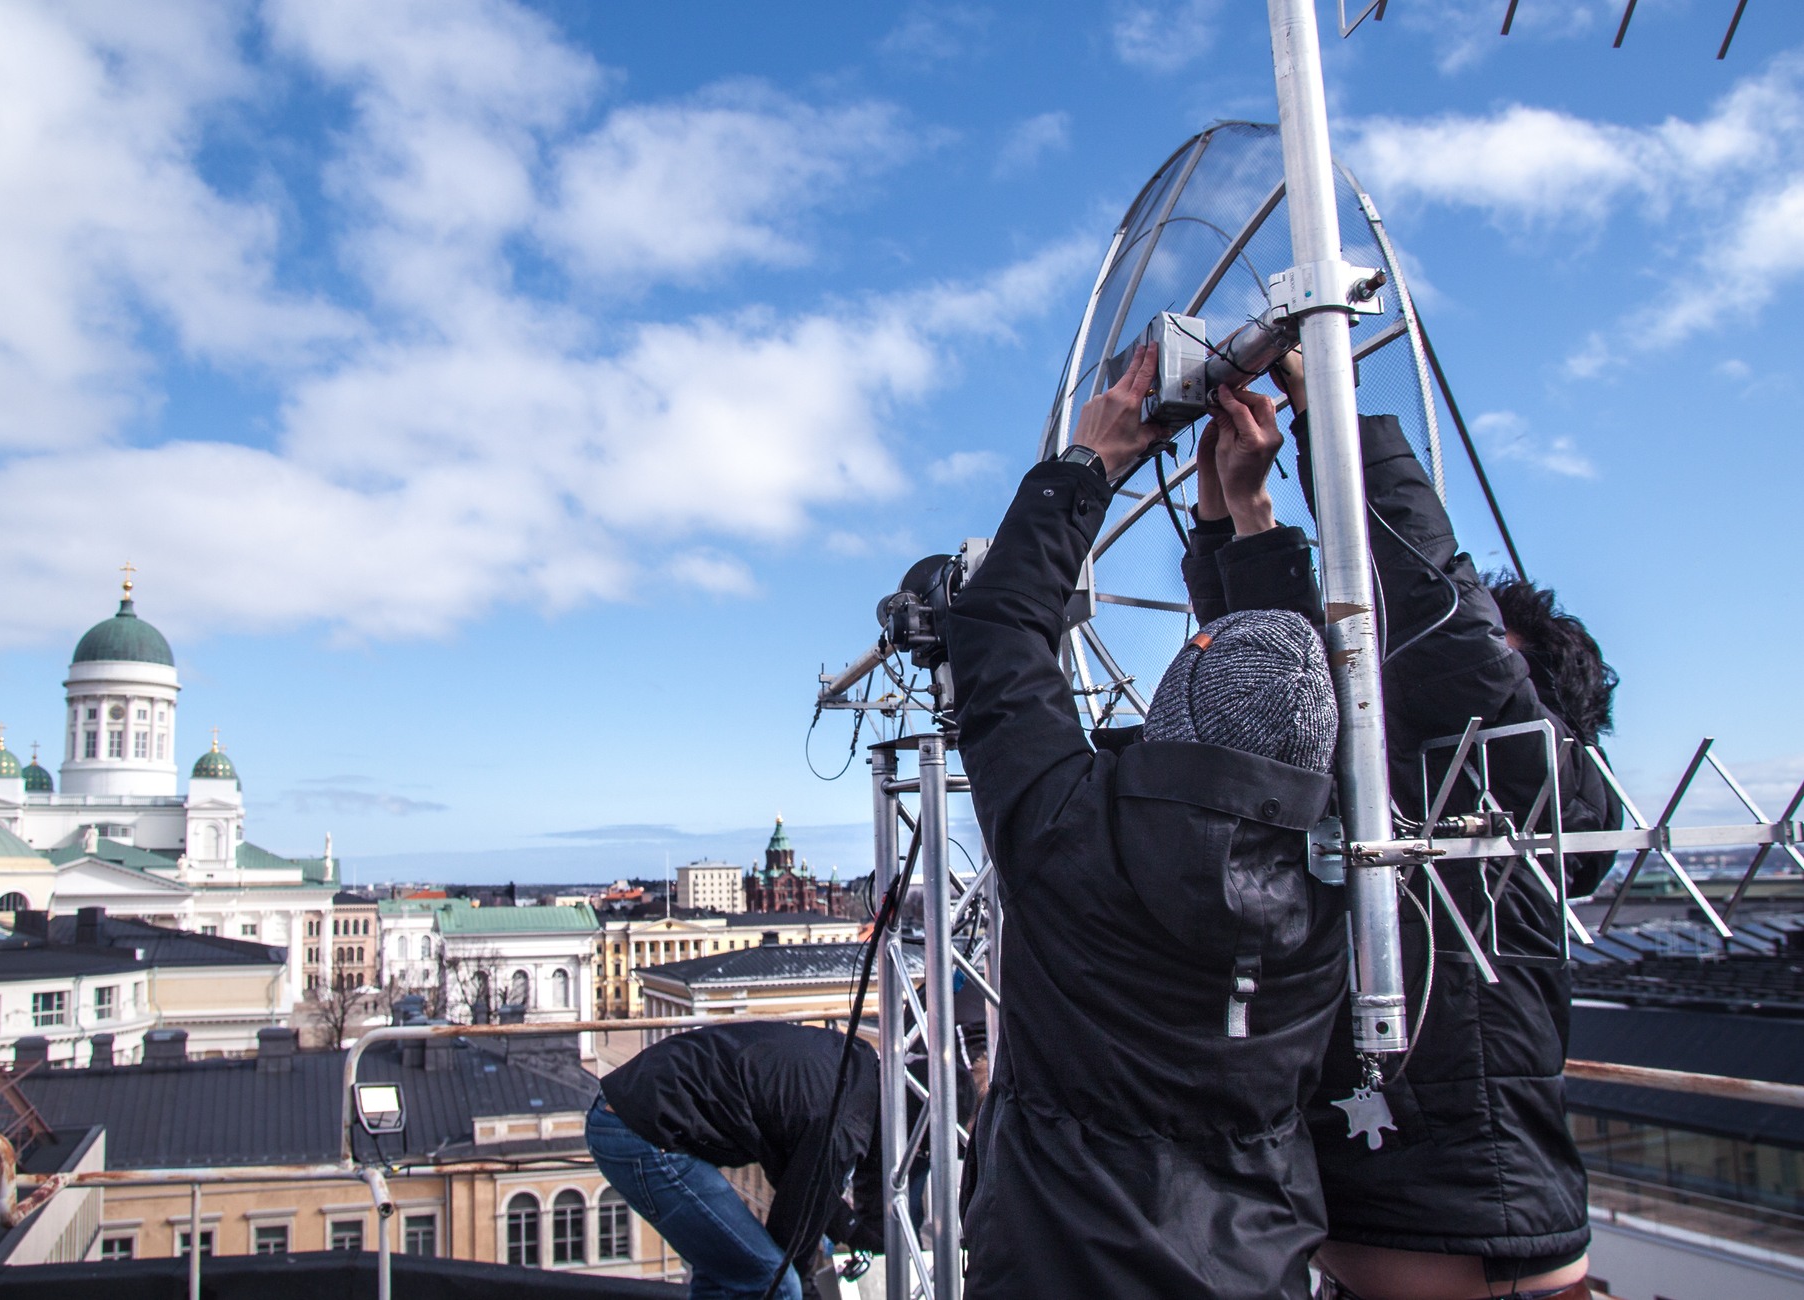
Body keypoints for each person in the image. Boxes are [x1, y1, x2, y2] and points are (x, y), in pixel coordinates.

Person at [1180, 351, 1618, 1300]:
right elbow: (1286, 690)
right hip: (1368, 1249)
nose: (1392, 674)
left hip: (1488, 1263)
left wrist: (1331, 410)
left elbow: (1437, 619)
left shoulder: (1529, 787)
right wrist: (1237, 516)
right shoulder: (1406, 797)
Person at [948, 346, 1348, 1298]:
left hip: (1055, 1262)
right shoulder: (1343, 873)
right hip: (1254, 1268)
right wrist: (1242, 518)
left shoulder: (1070, 833)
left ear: (1170, 719)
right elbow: (1293, 699)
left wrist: (1090, 462)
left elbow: (995, 631)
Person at [586, 1021, 886, 1300]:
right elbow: (796, 1224)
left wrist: (853, 1230)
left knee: (724, 1275)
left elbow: (799, 1177)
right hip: (643, 1135)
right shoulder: (844, 1127)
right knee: (777, 1285)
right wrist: (807, 1282)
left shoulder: (856, 1064)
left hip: (633, 1113)